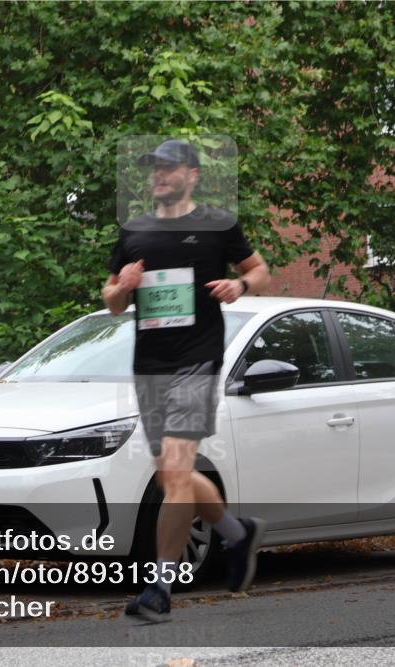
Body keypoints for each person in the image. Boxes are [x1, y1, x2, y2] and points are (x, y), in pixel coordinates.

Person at [102, 139, 271, 621]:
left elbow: (259, 270)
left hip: (198, 359)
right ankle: (238, 536)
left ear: (192, 174)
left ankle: (159, 590)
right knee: (171, 474)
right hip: (150, 363)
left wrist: (238, 285)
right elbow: (111, 297)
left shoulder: (217, 224)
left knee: (174, 473)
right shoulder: (134, 230)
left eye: (168, 167)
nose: (158, 175)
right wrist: (123, 288)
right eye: (154, 167)